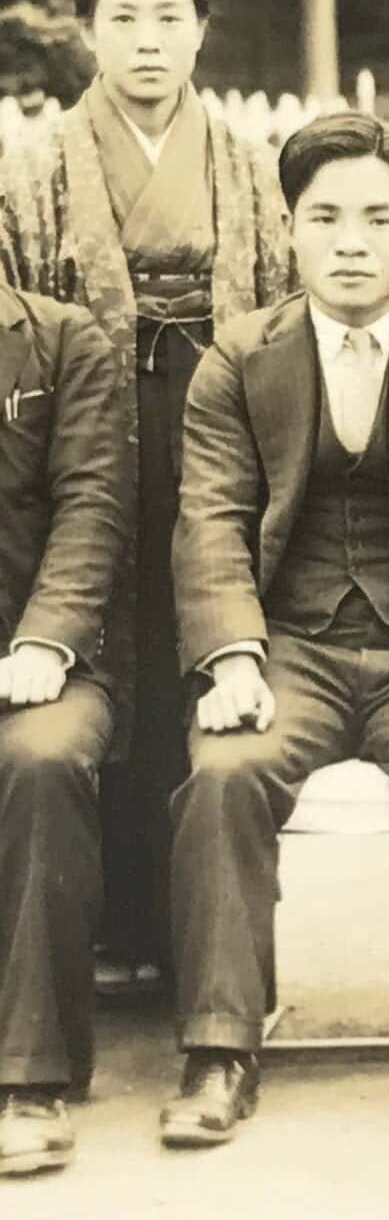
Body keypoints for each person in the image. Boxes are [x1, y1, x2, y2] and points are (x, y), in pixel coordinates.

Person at [159, 114, 389, 1148]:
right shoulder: (240, 356)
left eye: (378, 217)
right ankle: (220, 1046)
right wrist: (233, 658)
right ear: (291, 229)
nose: (351, 242)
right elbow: (211, 518)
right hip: (289, 647)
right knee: (226, 770)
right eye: (324, 218)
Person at [0, 0, 293, 996]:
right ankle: (107, 921)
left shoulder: (250, 165)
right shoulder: (34, 167)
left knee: (200, 644)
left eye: (170, 16)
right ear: (87, 31)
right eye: (122, 17)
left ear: (203, 29)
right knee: (104, 652)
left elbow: (283, 307)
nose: (148, 39)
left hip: (217, 420)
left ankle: (195, 935)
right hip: (84, 427)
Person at [0, 285, 127, 1177]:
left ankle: (30, 1077)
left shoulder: (62, 341)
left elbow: (93, 507)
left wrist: (45, 640)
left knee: (41, 758)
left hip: (49, 655)